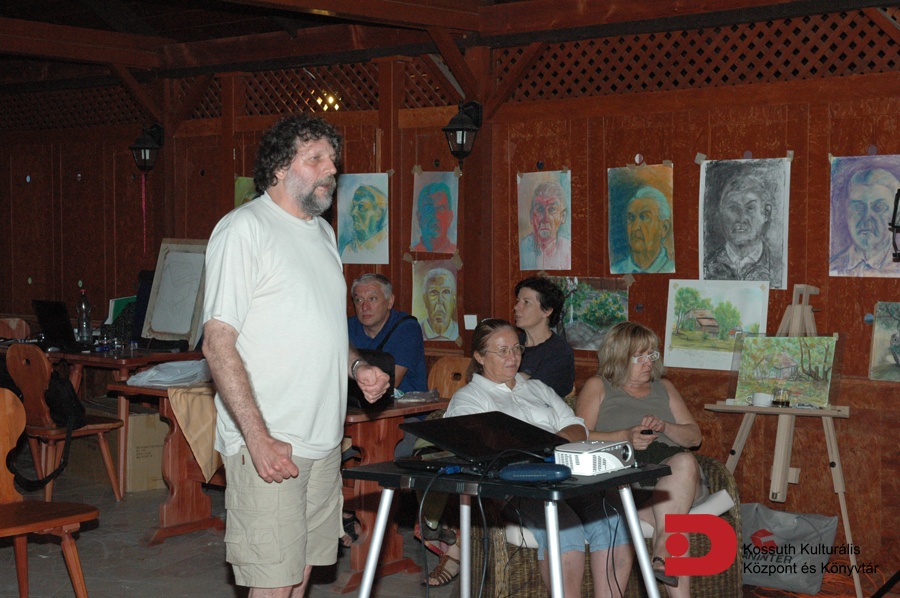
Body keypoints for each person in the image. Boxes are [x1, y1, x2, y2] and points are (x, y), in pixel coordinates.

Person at [202, 114, 389, 598]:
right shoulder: (244, 229)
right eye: (316, 158)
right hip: (272, 440)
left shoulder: (323, 234)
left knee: (301, 572)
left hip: (323, 443)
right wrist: (257, 438)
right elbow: (217, 341)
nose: (332, 169)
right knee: (273, 581)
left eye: (333, 160)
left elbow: (323, 328)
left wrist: (356, 366)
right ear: (281, 167)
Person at [443, 318, 632, 597]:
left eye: (516, 349)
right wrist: (546, 447)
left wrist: (552, 444)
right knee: (564, 529)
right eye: (502, 351)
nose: (513, 357)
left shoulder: (537, 388)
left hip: (566, 477)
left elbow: (577, 425)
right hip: (516, 487)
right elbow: (479, 449)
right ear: (480, 357)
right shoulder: (470, 399)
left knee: (613, 521)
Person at [576, 322, 705, 597]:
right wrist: (625, 437)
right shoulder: (599, 386)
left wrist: (665, 427)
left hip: (674, 478)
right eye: (640, 357)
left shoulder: (664, 387)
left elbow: (694, 437)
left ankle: (663, 548)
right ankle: (664, 552)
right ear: (619, 357)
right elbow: (579, 436)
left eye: (652, 355)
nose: (649, 363)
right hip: (625, 479)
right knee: (673, 523)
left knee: (684, 462)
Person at [703, 175, 779, 284]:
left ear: (766, 213)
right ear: (721, 213)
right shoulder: (706, 266)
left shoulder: (779, 268)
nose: (741, 218)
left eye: (750, 208)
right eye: (733, 208)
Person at [829, 168, 900, 276]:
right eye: (858, 207)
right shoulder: (833, 267)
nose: (866, 219)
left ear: (897, 215)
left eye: (879, 207)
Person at [513, 276, 575, 397]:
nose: (516, 307)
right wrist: (523, 377)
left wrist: (513, 377)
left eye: (526, 302)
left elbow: (534, 393)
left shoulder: (560, 352)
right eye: (518, 301)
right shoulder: (511, 343)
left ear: (547, 311)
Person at [612, 186, 675, 274]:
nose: (635, 228)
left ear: (664, 228)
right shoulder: (616, 269)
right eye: (631, 218)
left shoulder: (672, 268)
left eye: (644, 217)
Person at [519, 181, 572, 270]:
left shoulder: (569, 250)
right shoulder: (521, 249)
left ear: (562, 216)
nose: (545, 218)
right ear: (531, 216)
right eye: (540, 209)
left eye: (552, 209)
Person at [340, 184, 388, 260]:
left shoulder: (387, 244)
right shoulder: (349, 248)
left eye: (361, 206)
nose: (352, 213)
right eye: (353, 206)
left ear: (379, 213)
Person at [412, 181, 456, 253]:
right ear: (419, 217)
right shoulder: (412, 252)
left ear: (450, 217)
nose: (435, 215)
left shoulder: (457, 253)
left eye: (441, 209)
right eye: (428, 209)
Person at [420, 267, 459, 341]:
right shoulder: (416, 331)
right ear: (425, 300)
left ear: (454, 300)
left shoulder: (459, 333)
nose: (440, 301)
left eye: (446, 292)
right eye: (434, 292)